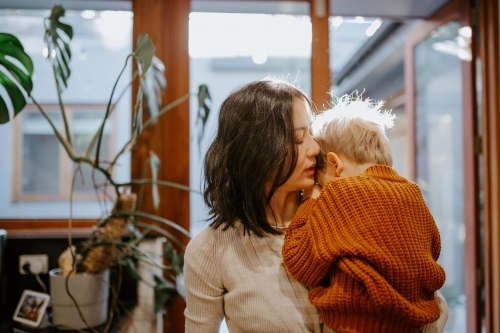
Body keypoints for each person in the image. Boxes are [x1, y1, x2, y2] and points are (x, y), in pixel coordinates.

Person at [183, 79, 448, 333]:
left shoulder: (349, 212)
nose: (315, 147)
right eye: (299, 139)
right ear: (258, 150)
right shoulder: (212, 249)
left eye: (311, 132)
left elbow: (428, 302)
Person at [282, 95, 446, 333]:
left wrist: (310, 202)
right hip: (412, 323)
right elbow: (433, 248)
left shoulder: (338, 193)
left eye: (319, 180)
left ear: (334, 164)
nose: (320, 187)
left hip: (352, 325)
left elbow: (301, 264)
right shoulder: (412, 193)